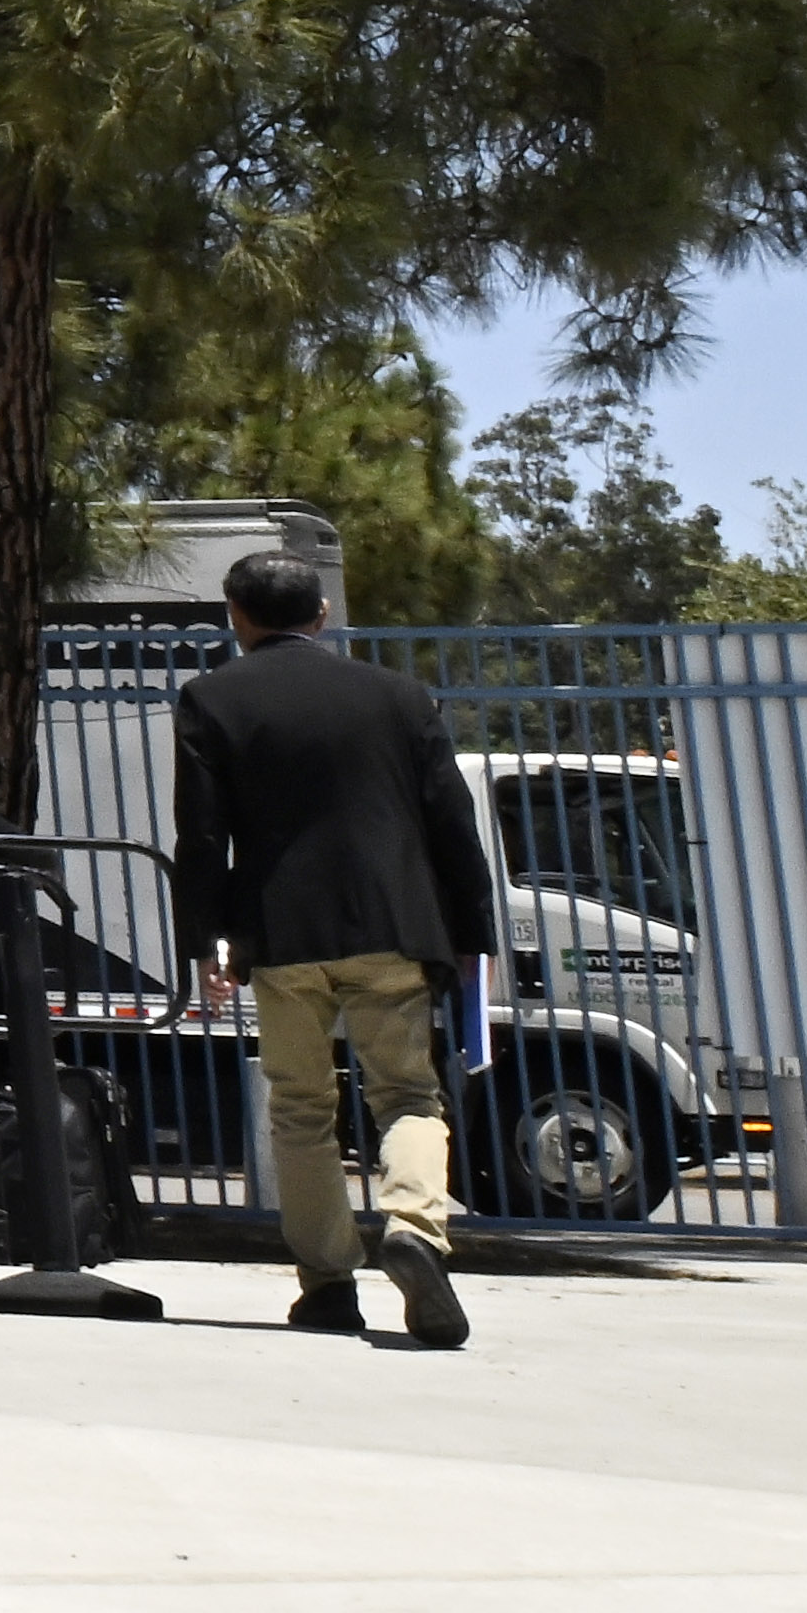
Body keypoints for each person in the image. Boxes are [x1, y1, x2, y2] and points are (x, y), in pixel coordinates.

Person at [167, 545, 500, 1345]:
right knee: (410, 1097)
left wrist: (206, 940)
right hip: (394, 924)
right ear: (322, 615)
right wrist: (471, 932)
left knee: (301, 1107)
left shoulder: (211, 699)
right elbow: (452, 822)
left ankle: (325, 1284)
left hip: (282, 935)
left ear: (236, 619)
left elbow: (202, 835)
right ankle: (415, 1227)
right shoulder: (398, 695)